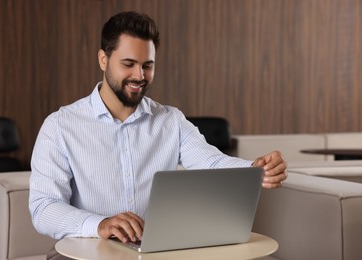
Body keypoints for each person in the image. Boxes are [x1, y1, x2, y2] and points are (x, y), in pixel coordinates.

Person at [29, 11, 287, 249]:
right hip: (85, 251)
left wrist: (256, 169)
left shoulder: (170, 121)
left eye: (147, 65)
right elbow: (44, 208)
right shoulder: (60, 126)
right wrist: (100, 224)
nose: (139, 75)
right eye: (128, 64)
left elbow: (211, 162)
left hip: (151, 252)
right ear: (103, 60)